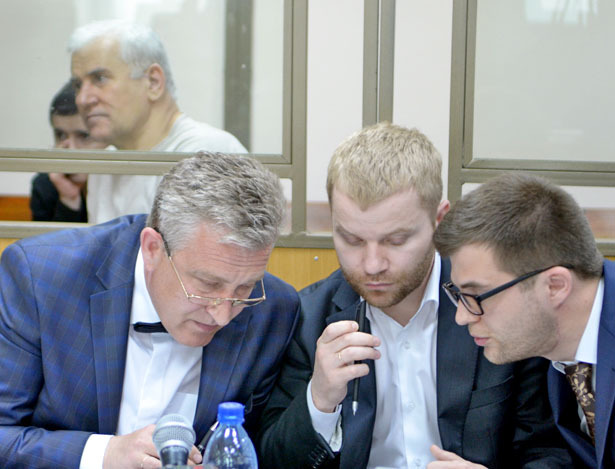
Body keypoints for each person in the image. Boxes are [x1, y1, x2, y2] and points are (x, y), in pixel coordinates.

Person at [257, 123, 573, 468]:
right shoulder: (308, 317)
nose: (372, 265)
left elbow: (551, 451)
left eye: (396, 241)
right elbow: (271, 460)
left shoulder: (500, 306)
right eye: (352, 240)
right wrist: (319, 400)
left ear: (440, 219)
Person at [0, 152, 300, 469]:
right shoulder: (43, 279)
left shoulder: (273, 311)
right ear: (152, 249)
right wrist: (105, 454)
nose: (223, 315)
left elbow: (261, 448)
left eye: (244, 289)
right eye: (207, 285)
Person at [433, 172, 614, 468]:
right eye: (458, 294)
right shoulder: (551, 350)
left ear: (555, 286)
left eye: (476, 295)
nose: (461, 317)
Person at [68, 20, 247, 224]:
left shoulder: (205, 153)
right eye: (78, 85)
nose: (82, 99)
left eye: (100, 79)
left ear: (153, 82)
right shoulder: (105, 166)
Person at [30, 81, 106, 222]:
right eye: (61, 135)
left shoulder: (120, 181)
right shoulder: (45, 186)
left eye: (84, 136)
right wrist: (69, 199)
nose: (70, 148)